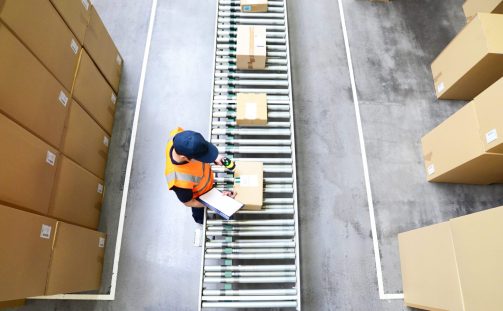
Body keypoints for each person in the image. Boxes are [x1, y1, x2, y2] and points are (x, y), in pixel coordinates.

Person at [165, 127, 236, 225]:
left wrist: (214, 157)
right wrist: (217, 202)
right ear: (184, 157)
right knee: (199, 215)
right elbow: (189, 202)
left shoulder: (177, 135)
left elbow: (194, 144)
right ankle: (200, 220)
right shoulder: (178, 181)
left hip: (207, 181)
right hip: (201, 196)